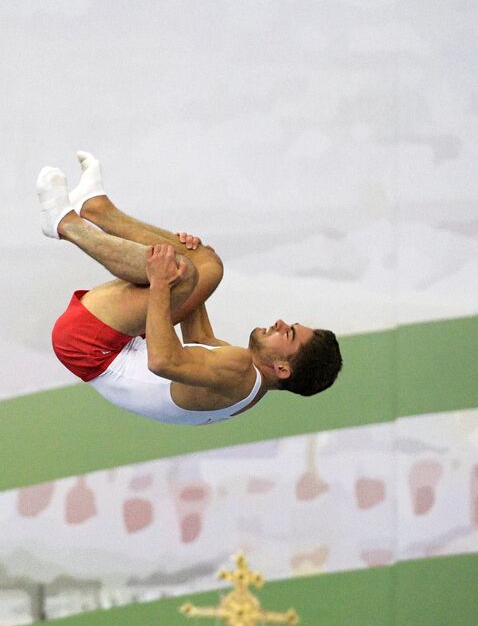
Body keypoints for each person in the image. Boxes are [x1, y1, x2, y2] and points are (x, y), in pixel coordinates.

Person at [37, 152, 342, 425]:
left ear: (282, 368)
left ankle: (66, 225)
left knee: (181, 274)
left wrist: (161, 284)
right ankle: (97, 208)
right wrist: (192, 256)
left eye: (287, 333)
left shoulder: (240, 370)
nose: (280, 323)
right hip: (114, 345)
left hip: (89, 346)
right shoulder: (246, 385)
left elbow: (162, 361)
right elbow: (199, 340)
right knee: (206, 265)